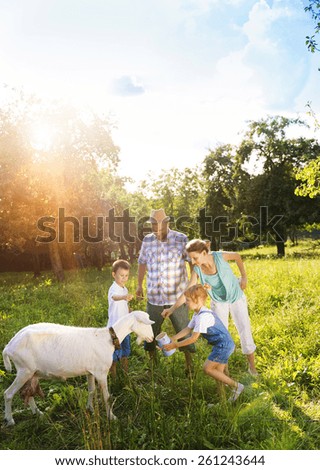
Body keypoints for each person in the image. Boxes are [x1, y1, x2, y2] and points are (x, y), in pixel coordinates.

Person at [162, 239, 257, 376]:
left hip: (236, 297)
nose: (193, 262)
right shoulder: (197, 269)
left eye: (195, 258)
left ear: (205, 253)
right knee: (221, 337)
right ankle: (224, 371)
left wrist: (244, 277)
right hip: (218, 302)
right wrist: (171, 309)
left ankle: (252, 368)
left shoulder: (219, 256)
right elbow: (188, 291)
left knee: (244, 329)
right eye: (191, 259)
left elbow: (237, 256)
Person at [136, 208, 195, 371]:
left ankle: (189, 365)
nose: (155, 227)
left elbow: (192, 262)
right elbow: (142, 262)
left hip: (177, 296)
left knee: (184, 329)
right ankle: (153, 366)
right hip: (154, 297)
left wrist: (192, 285)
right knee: (151, 331)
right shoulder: (147, 241)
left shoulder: (180, 238)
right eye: (152, 223)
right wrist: (139, 284)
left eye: (158, 223)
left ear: (166, 223)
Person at [162, 284, 244, 401]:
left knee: (207, 368)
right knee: (218, 375)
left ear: (199, 300)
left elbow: (193, 339)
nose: (186, 303)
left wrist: (175, 345)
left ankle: (237, 386)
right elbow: (187, 329)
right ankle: (223, 402)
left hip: (224, 346)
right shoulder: (197, 313)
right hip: (222, 345)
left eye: (188, 300)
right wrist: (173, 339)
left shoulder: (203, 317)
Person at [107, 259, 133, 377]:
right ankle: (114, 375)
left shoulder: (124, 288)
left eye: (126, 275)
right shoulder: (113, 288)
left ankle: (126, 372)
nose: (124, 278)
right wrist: (123, 297)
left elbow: (124, 304)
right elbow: (114, 297)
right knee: (115, 351)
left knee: (125, 350)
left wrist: (129, 311)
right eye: (121, 275)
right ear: (114, 275)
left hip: (125, 327)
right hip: (115, 328)